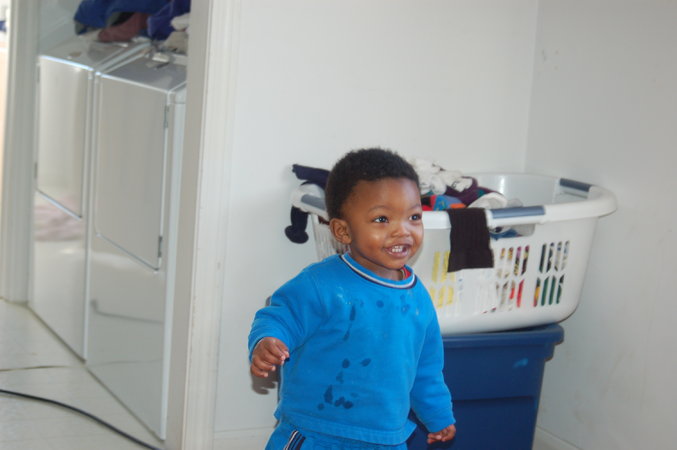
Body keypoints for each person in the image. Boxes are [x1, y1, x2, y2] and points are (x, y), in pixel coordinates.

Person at [249, 148, 456, 449]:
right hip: (316, 433)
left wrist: (438, 415)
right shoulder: (320, 284)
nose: (403, 230)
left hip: (386, 439)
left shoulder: (418, 298)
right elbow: (279, 317)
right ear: (342, 231)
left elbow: (425, 367)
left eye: (413, 217)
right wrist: (268, 341)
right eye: (382, 219)